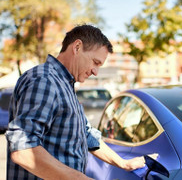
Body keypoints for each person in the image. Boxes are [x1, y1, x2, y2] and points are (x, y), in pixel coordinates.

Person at [5, 24, 153, 179]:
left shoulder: (65, 85)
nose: (96, 72)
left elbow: (87, 135)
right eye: (95, 62)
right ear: (77, 47)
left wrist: (123, 164)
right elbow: (23, 150)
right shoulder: (45, 80)